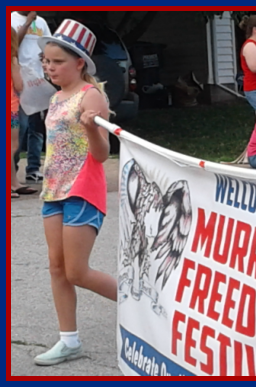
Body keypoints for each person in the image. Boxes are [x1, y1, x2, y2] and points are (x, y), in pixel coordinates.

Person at [33, 19, 117, 366]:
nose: (50, 68)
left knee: (77, 271)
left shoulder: (90, 94)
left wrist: (92, 129)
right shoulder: (55, 97)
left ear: (79, 63)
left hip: (82, 188)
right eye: (46, 62)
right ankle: (69, 341)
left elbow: (101, 153)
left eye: (57, 62)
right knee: (57, 268)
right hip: (53, 189)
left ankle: (144, 307)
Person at [11, 11, 52, 183]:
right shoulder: (11, 18)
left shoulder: (41, 22)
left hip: (38, 81)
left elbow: (48, 45)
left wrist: (46, 57)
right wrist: (27, 23)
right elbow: (12, 45)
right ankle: (12, 171)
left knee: (37, 127)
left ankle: (33, 169)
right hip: (18, 80)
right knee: (20, 127)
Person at [11, 27, 38, 199]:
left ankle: (14, 182)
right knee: (11, 148)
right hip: (10, 108)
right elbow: (19, 85)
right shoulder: (12, 59)